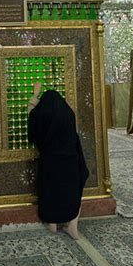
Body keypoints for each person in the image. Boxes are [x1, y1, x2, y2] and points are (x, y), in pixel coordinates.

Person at [28, 84, 89, 239]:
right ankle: (72, 226)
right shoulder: (68, 114)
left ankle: (52, 224)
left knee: (50, 192)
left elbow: (33, 121)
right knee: (73, 193)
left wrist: (35, 95)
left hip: (50, 161)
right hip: (71, 162)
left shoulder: (43, 115)